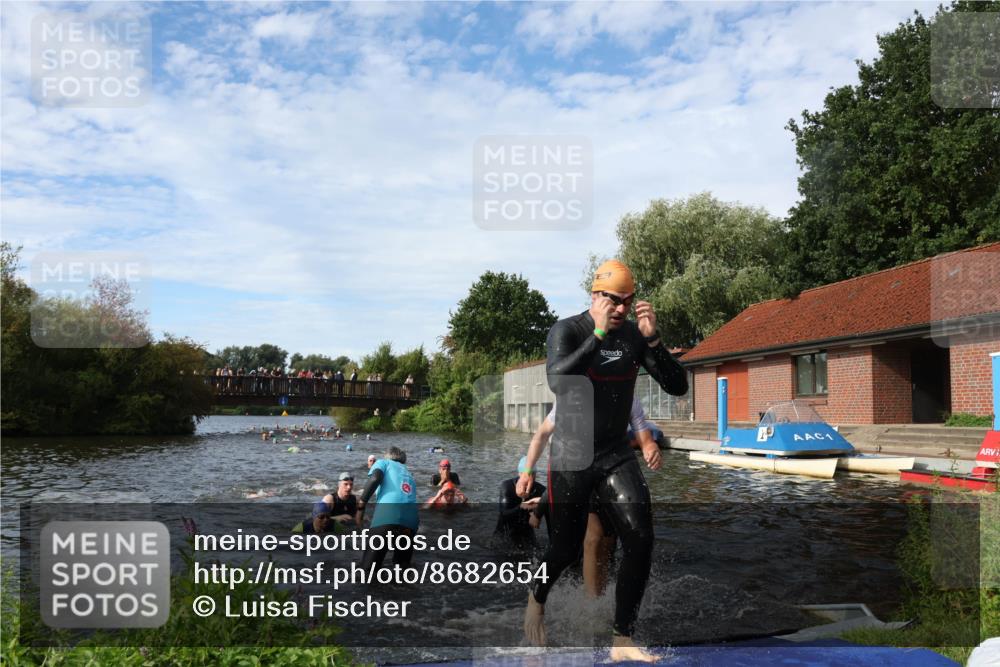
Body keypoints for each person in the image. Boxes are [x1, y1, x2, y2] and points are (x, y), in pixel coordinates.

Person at [519, 259, 687, 661]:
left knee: (641, 536)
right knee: (564, 549)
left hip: (613, 452)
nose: (622, 309)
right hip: (572, 455)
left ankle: (622, 639)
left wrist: (655, 343)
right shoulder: (567, 330)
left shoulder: (632, 336)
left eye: (628, 301)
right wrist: (596, 332)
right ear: (595, 297)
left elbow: (678, 386)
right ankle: (536, 597)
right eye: (614, 300)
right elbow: (559, 381)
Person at [525, 398, 661, 598]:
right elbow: (543, 432)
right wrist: (527, 470)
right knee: (593, 537)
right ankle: (590, 600)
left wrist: (650, 447)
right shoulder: (574, 393)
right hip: (579, 470)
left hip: (613, 472)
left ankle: (601, 595)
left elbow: (643, 433)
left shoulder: (627, 393)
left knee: (607, 540)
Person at [358, 446, 419, 570]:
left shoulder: (383, 463)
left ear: (387, 456)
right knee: (402, 570)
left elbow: (375, 478)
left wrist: (361, 504)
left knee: (368, 571)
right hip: (411, 523)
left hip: (387, 517)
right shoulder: (409, 473)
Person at [494, 456, 545, 551]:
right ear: (519, 473)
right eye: (527, 474)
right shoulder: (507, 487)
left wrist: (538, 513)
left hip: (527, 534)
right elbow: (504, 515)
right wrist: (522, 507)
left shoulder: (540, 490)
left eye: (533, 474)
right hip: (505, 534)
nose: (530, 478)